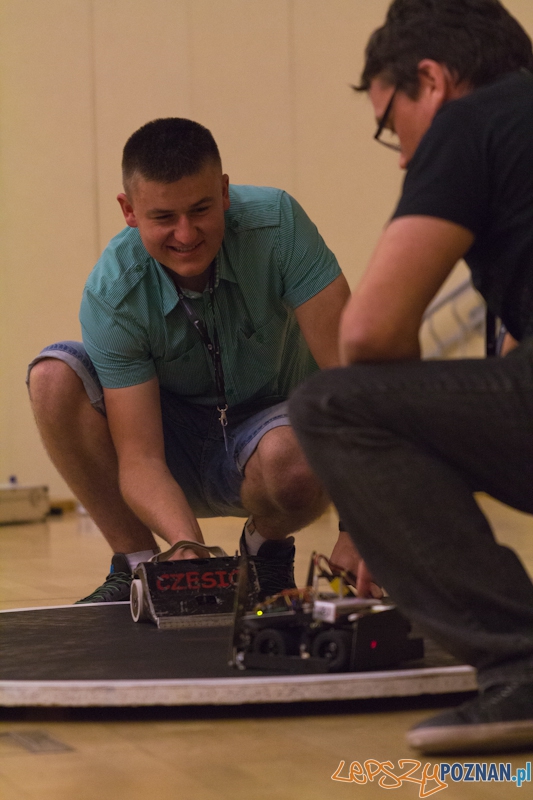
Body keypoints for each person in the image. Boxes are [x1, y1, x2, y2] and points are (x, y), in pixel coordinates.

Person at [290, 0, 533, 755]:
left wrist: (372, 515)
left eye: (389, 125)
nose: (399, 156)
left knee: (335, 405)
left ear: (429, 79)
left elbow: (369, 333)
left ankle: (520, 664)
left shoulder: (473, 123)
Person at [28, 117, 350, 604]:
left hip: (272, 437)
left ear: (224, 191)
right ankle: (137, 567)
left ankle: (264, 550)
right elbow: (140, 457)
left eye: (200, 209)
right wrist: (186, 546)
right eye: (162, 218)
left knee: (297, 456)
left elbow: (354, 385)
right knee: (52, 377)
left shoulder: (279, 225)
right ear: (129, 210)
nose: (185, 234)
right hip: (169, 443)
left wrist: (359, 528)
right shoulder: (112, 291)